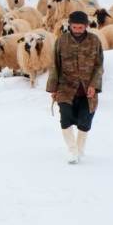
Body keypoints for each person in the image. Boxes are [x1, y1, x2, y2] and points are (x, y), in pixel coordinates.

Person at [46, 10, 103, 164]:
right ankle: (72, 150)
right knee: (65, 117)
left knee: (85, 121)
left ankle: (79, 150)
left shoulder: (94, 41)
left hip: (87, 89)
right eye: (75, 27)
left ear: (86, 26)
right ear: (70, 26)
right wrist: (53, 88)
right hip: (66, 87)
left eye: (80, 28)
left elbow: (99, 66)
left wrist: (94, 85)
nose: (77, 31)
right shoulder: (62, 41)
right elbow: (54, 65)